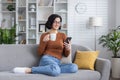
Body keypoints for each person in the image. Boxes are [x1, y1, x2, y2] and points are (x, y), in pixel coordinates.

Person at [13, 14, 78, 76]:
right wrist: (44, 42)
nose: (57, 24)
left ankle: (47, 69)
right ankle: (30, 70)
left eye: (59, 22)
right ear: (51, 22)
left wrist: (68, 48)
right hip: (47, 59)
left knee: (74, 67)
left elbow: (66, 54)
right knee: (55, 71)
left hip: (57, 62)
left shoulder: (63, 35)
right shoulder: (44, 35)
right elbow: (39, 53)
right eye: (55, 22)